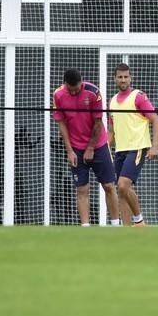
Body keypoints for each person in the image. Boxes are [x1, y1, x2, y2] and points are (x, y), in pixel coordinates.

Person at [53, 68, 120, 226]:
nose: (75, 92)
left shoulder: (93, 92)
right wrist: (69, 151)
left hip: (98, 145)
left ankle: (116, 225)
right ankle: (85, 227)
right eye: (71, 90)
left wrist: (90, 148)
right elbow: (61, 124)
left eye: (77, 88)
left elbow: (98, 123)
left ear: (81, 81)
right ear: (65, 85)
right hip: (76, 147)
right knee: (82, 189)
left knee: (109, 185)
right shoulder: (58, 95)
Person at [108, 63, 158, 226]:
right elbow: (111, 131)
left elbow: (156, 120)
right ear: (115, 79)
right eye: (120, 77)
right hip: (120, 150)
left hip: (137, 147)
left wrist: (154, 146)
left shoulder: (138, 96)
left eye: (126, 77)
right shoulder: (112, 102)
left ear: (130, 78)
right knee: (121, 191)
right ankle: (127, 229)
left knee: (123, 185)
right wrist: (104, 150)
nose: (123, 80)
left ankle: (139, 221)